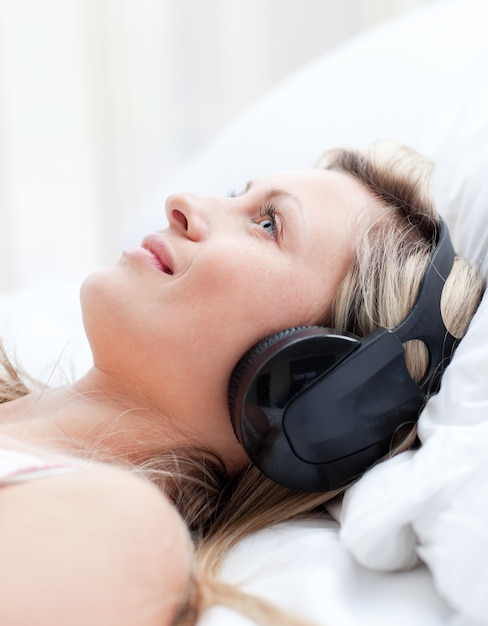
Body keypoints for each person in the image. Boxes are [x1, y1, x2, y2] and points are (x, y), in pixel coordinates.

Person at [0, 141, 484, 626]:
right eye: (236, 195)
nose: (182, 202)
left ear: (314, 384)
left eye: (268, 224)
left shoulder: (110, 532)